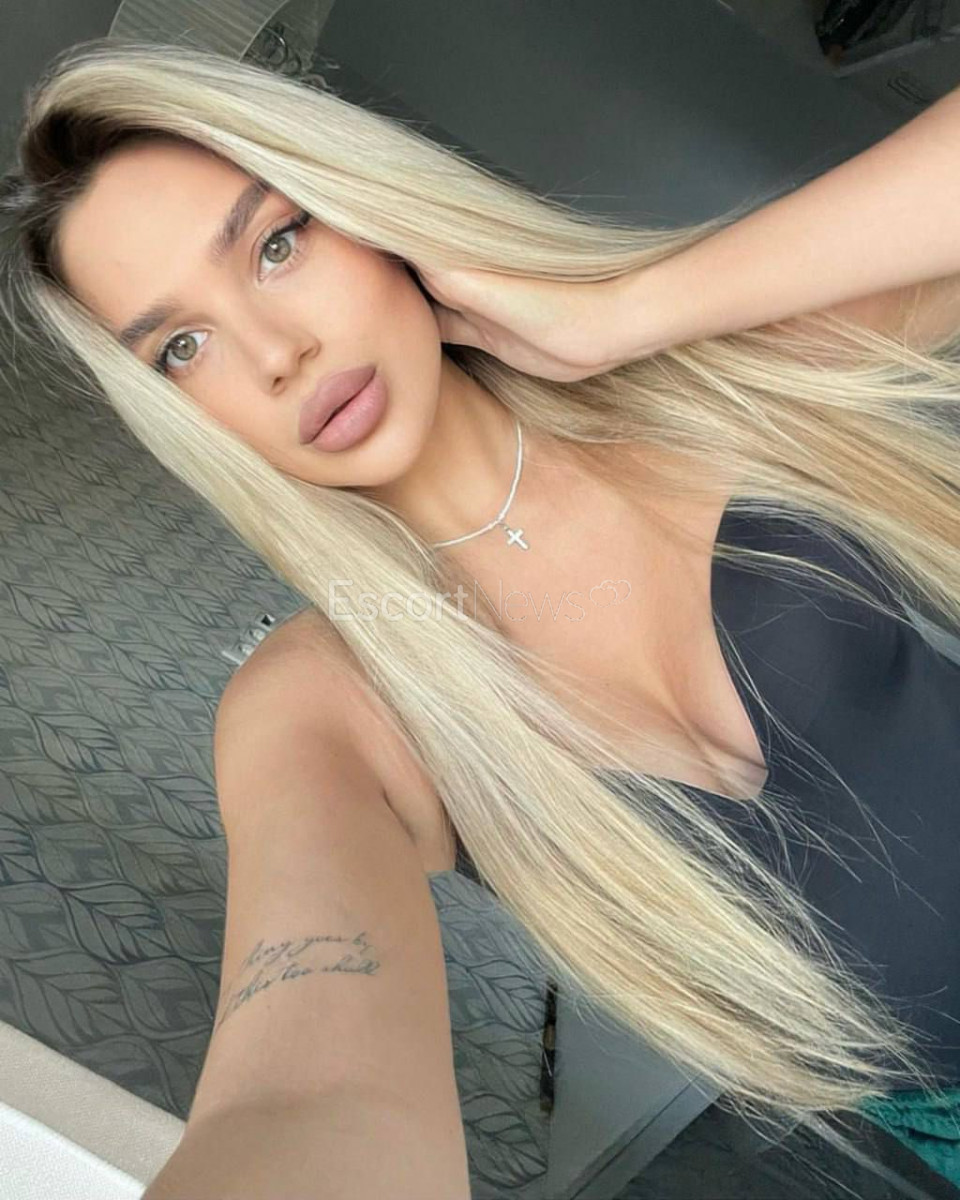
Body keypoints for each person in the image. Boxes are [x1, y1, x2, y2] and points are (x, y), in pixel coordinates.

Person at [1, 37, 958, 1200]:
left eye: (276, 243)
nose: (277, 354)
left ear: (368, 210)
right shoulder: (328, 706)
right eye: (183, 348)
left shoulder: (707, 389)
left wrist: (625, 315)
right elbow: (303, 1098)